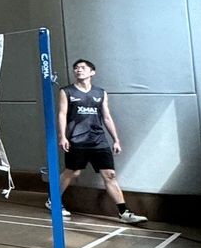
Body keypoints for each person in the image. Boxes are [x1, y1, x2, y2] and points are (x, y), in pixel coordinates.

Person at [52, 58, 147, 225]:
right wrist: (62, 136)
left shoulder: (100, 93)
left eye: (82, 68)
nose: (78, 70)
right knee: (73, 173)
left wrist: (116, 140)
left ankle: (123, 212)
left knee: (110, 175)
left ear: (92, 72)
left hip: (98, 141)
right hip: (77, 140)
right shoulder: (66, 92)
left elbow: (107, 117)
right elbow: (62, 114)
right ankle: (53, 200)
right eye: (76, 68)